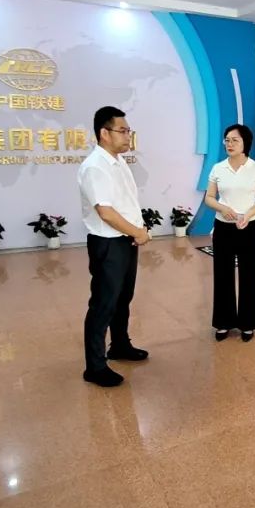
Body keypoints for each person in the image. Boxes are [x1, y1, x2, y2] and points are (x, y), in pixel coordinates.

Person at [78, 106, 150, 387]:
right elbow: (105, 212)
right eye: (122, 130)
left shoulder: (118, 161)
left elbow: (125, 203)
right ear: (104, 133)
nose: (128, 136)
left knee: (122, 298)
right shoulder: (95, 167)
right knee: (103, 304)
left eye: (128, 131)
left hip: (126, 239)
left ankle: (120, 345)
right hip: (108, 243)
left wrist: (137, 230)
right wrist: (137, 232)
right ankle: (95, 367)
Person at [204, 124, 255, 342]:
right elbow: (209, 198)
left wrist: (248, 214)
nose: (229, 144)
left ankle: (248, 324)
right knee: (222, 274)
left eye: (235, 140)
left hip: (247, 228)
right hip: (223, 227)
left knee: (249, 275)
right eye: (227, 140)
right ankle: (223, 322)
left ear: (245, 143)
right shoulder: (218, 168)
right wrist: (222, 208)